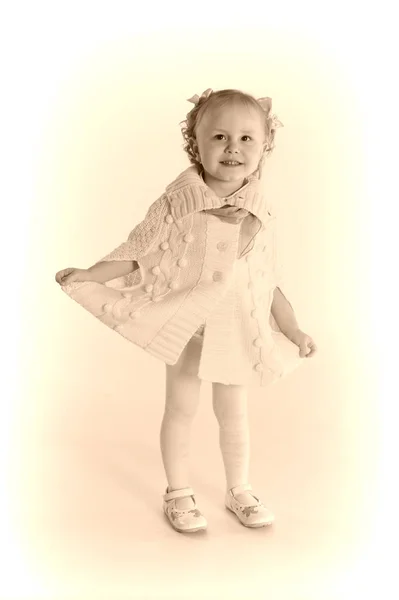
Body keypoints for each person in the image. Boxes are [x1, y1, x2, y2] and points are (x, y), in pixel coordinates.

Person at [55, 88, 317, 533]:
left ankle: (240, 488)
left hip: (236, 327)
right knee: (180, 407)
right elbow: (138, 251)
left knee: (233, 412)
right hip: (187, 325)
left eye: (246, 138)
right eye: (218, 136)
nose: (232, 147)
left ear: (265, 145)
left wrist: (292, 329)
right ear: (195, 143)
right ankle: (178, 491)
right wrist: (91, 274)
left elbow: (266, 279)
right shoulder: (177, 203)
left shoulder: (262, 211)